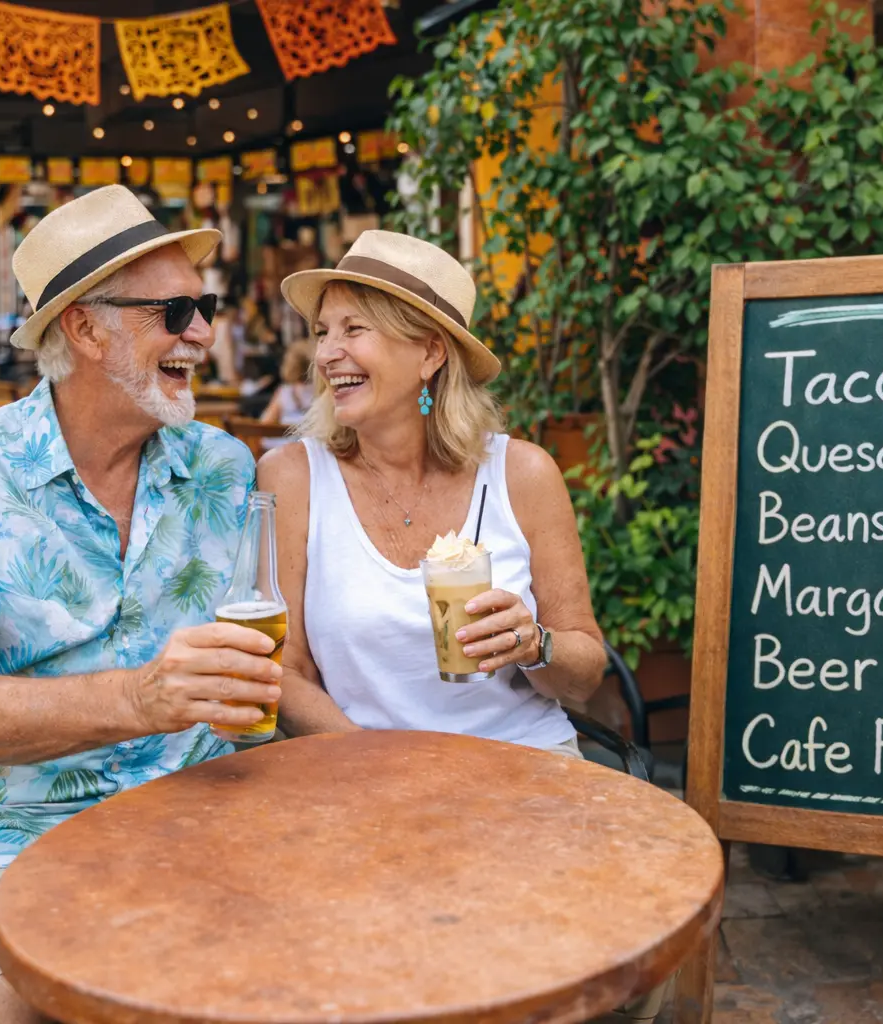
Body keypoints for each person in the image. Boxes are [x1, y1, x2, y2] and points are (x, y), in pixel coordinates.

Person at [0, 186, 337, 1024]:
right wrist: (144, 697)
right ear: (84, 331)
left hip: (197, 813)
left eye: (202, 307)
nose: (202, 333)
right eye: (174, 312)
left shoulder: (224, 467)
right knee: (19, 1014)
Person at [260, 233, 666, 1017]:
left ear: (430, 354)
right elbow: (285, 673)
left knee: (583, 977)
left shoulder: (522, 474)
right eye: (321, 332)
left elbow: (584, 667)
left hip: (526, 785)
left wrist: (534, 643)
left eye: (355, 329)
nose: (327, 354)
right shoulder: (291, 478)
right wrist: (386, 773)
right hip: (361, 789)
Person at [256, 342, 314, 447]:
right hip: (309, 447)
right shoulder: (321, 392)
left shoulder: (285, 392)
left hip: (282, 447)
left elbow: (265, 423)